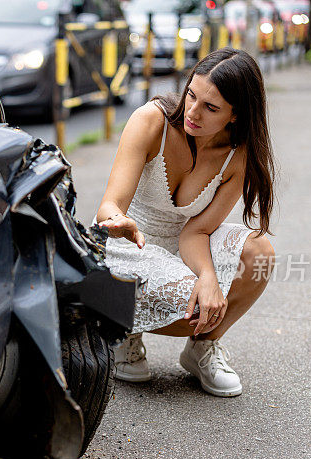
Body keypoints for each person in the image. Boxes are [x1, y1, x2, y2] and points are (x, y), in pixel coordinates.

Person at [95, 47, 276, 397]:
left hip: (183, 246)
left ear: (236, 115)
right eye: (192, 94)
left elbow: (197, 231)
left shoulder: (238, 156)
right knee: (189, 303)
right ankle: (122, 333)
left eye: (211, 108)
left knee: (259, 254)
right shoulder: (152, 121)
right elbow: (110, 205)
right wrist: (118, 221)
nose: (192, 112)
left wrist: (208, 277)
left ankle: (201, 348)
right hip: (131, 244)